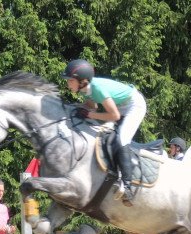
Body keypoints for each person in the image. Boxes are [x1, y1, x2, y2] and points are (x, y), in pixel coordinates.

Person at [61, 59, 147, 207]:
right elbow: (91, 106)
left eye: (70, 80)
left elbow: (114, 116)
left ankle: (128, 187)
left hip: (134, 106)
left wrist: (90, 115)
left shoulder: (98, 88)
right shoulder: (86, 89)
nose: (68, 83)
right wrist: (75, 109)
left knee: (122, 139)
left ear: (82, 80)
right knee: (105, 135)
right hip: (120, 106)